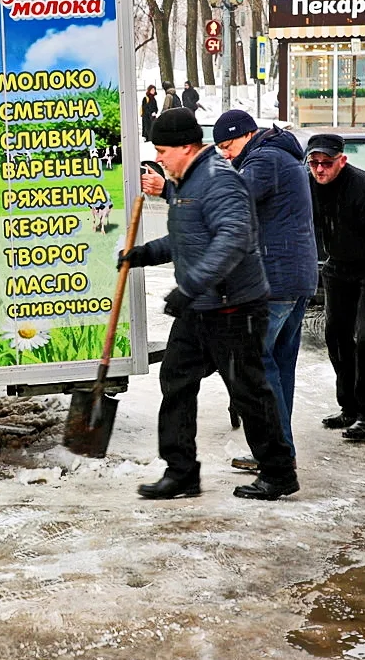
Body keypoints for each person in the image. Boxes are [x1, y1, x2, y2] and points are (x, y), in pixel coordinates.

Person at [119, 108, 298, 501]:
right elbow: (189, 240)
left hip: (234, 307)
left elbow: (233, 238)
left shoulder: (219, 181)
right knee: (176, 379)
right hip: (202, 306)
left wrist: (190, 286)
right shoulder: (187, 181)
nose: (159, 159)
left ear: (187, 146)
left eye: (163, 150)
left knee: (249, 390)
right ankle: (181, 471)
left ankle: (279, 472)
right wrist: (143, 254)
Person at [211, 111, 318, 470]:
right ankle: (278, 451)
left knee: (256, 368)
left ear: (248, 134)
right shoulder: (279, 156)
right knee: (278, 368)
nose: (225, 153)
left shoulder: (265, 159)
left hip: (276, 282)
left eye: (228, 145)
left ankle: (276, 458)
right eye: (220, 149)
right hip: (294, 279)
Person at [306, 133, 365, 442]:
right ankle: (349, 407)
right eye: (314, 163)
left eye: (327, 163)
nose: (320, 169)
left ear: (341, 161)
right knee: (335, 334)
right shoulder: (308, 184)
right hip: (339, 265)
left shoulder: (364, 188)